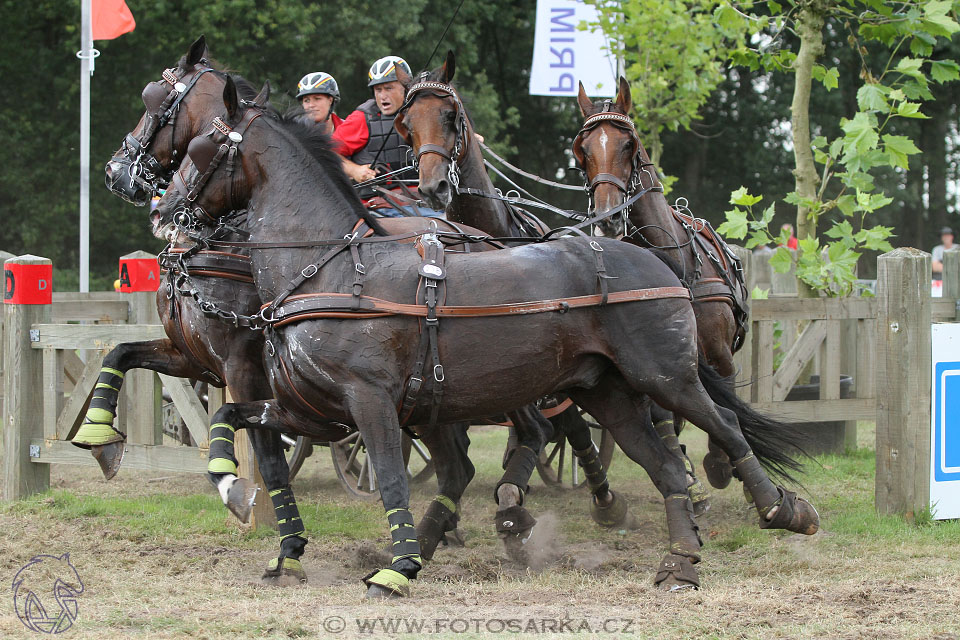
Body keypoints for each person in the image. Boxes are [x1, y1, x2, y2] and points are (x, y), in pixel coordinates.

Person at [332, 55, 442, 217]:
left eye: (389, 88)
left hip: (426, 206)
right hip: (379, 209)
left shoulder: (424, 111)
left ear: (405, 87)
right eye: (378, 90)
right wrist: (354, 170)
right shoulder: (363, 118)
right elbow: (326, 153)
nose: (382, 96)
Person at [295, 71, 342, 135]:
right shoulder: (294, 134)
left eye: (317, 99)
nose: (311, 105)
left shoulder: (349, 130)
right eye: (306, 100)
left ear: (330, 100)